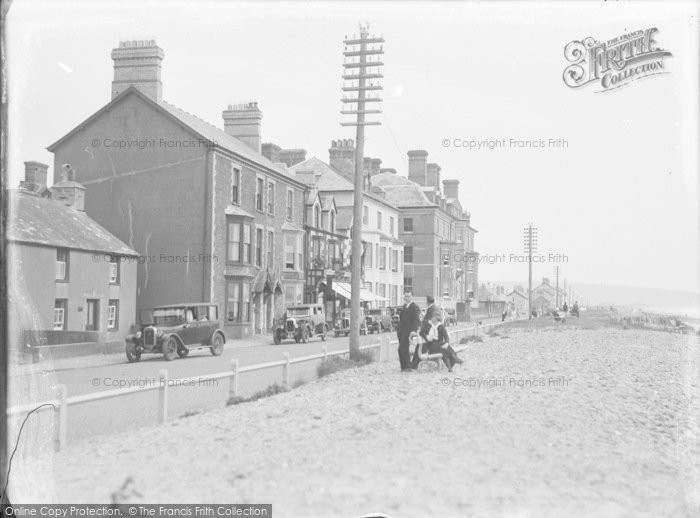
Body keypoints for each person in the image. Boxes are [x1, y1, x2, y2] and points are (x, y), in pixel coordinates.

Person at [397, 292, 421, 371]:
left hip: (409, 331)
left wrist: (414, 330)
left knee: (401, 349)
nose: (406, 298)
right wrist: (399, 329)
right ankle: (405, 367)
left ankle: (407, 366)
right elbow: (401, 319)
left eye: (408, 296)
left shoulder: (415, 307)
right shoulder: (404, 306)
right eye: (405, 296)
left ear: (411, 297)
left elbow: (416, 320)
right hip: (402, 331)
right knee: (404, 349)